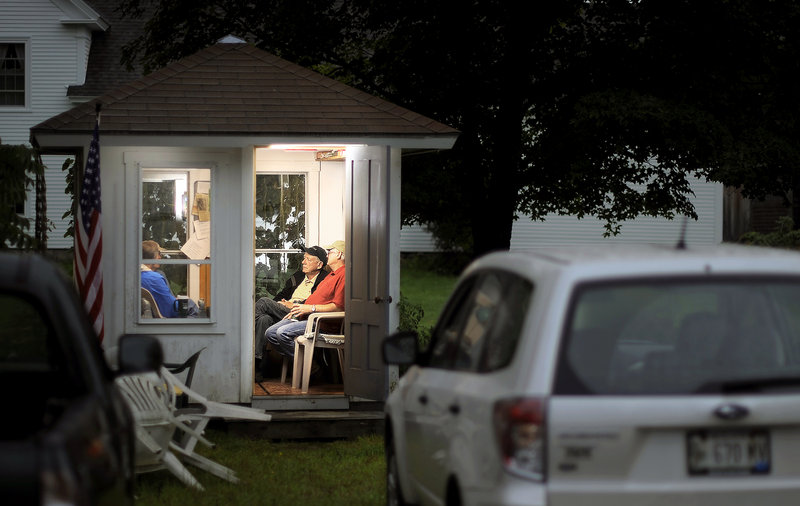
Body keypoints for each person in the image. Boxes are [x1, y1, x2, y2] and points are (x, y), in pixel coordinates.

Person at [265, 240, 346, 360]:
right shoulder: (331, 275)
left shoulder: (343, 275)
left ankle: (312, 366)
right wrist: (299, 308)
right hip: (303, 314)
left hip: (319, 322)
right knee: (270, 333)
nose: (327, 254)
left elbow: (338, 307)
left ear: (339, 254)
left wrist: (310, 308)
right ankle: (309, 365)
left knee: (282, 332)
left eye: (330, 252)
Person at [254, 246, 328, 371]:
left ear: (319, 264)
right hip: (286, 313)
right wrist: (280, 303)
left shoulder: (325, 280)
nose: (303, 262)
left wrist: (293, 304)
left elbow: (316, 302)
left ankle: (244, 349)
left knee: (263, 302)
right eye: (304, 258)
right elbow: (281, 295)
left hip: (300, 314)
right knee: (264, 319)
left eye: (308, 259)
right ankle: (258, 366)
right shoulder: (298, 276)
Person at [141, 240, 198, 318]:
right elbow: (171, 309)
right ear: (152, 257)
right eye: (158, 254)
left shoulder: (137, 276)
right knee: (190, 305)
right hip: (166, 318)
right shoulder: (155, 278)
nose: (160, 257)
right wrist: (181, 301)